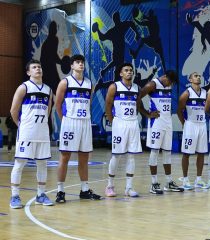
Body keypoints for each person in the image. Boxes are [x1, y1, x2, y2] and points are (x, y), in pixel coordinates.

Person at [55, 54, 101, 202]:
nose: (80, 64)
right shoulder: (65, 82)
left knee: (84, 158)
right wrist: (65, 120)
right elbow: (58, 104)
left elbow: (89, 103)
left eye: (82, 62)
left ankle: (84, 189)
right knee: (65, 156)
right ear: (71, 65)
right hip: (70, 122)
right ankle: (60, 191)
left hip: (85, 122)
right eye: (77, 62)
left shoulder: (89, 83)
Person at [9, 59, 53, 208]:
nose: (38, 69)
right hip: (27, 132)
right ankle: (15, 196)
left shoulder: (48, 89)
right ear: (28, 72)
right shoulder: (24, 87)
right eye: (34, 67)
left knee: (42, 163)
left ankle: (41, 194)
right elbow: (13, 110)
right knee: (20, 163)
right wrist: (20, 125)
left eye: (39, 67)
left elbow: (48, 112)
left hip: (42, 132)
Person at [137, 70, 183, 194]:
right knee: (155, 151)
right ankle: (154, 183)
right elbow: (137, 97)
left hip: (167, 122)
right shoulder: (152, 84)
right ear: (165, 77)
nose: (170, 84)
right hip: (156, 123)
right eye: (170, 81)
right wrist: (147, 113)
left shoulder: (168, 84)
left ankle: (168, 182)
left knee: (168, 152)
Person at [104, 63, 142, 198]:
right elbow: (108, 105)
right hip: (119, 123)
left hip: (133, 123)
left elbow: (138, 105)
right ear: (121, 73)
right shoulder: (115, 86)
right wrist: (112, 120)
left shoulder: (137, 88)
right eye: (126, 70)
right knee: (117, 155)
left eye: (131, 70)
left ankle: (129, 187)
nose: (129, 72)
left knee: (131, 156)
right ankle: (110, 185)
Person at [178, 72, 209, 189]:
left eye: (199, 75)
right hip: (190, 125)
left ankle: (199, 180)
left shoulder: (205, 93)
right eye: (196, 76)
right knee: (187, 153)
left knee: (201, 152)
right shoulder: (186, 93)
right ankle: (185, 180)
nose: (198, 77)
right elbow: (178, 110)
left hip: (202, 125)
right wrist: (184, 124)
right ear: (190, 79)